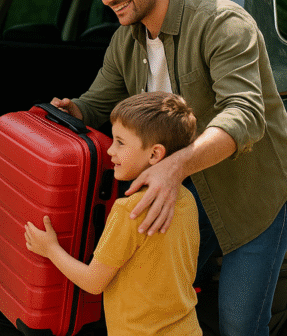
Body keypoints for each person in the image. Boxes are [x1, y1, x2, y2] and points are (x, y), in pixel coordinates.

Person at [51, 0, 287, 335]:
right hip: (186, 195)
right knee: (154, 299)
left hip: (254, 196)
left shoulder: (223, 23)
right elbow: (95, 103)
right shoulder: (124, 40)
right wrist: (71, 112)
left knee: (240, 325)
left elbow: (243, 112)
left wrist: (175, 167)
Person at [26, 92, 200, 335]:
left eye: (120, 142)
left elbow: (93, 282)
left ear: (154, 154)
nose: (110, 151)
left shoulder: (128, 210)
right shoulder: (186, 199)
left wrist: (50, 249)